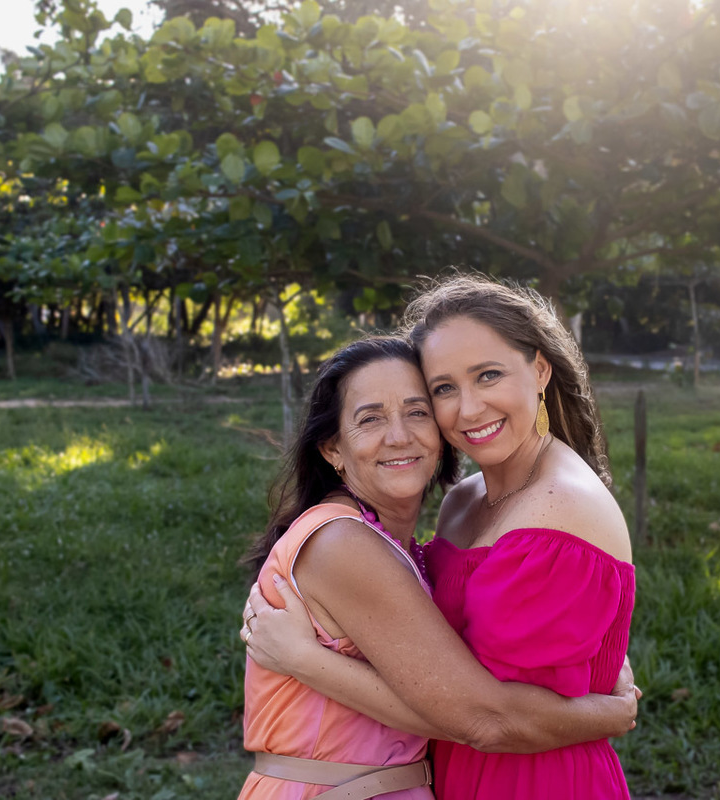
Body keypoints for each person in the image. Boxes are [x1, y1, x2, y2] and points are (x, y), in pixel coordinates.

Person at [244, 275, 637, 799]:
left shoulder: (558, 507)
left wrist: (304, 660)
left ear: (539, 369)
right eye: (444, 389)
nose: (468, 409)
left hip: (531, 783)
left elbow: (487, 716)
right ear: (332, 448)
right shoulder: (461, 502)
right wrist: (604, 709)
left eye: (488, 375)